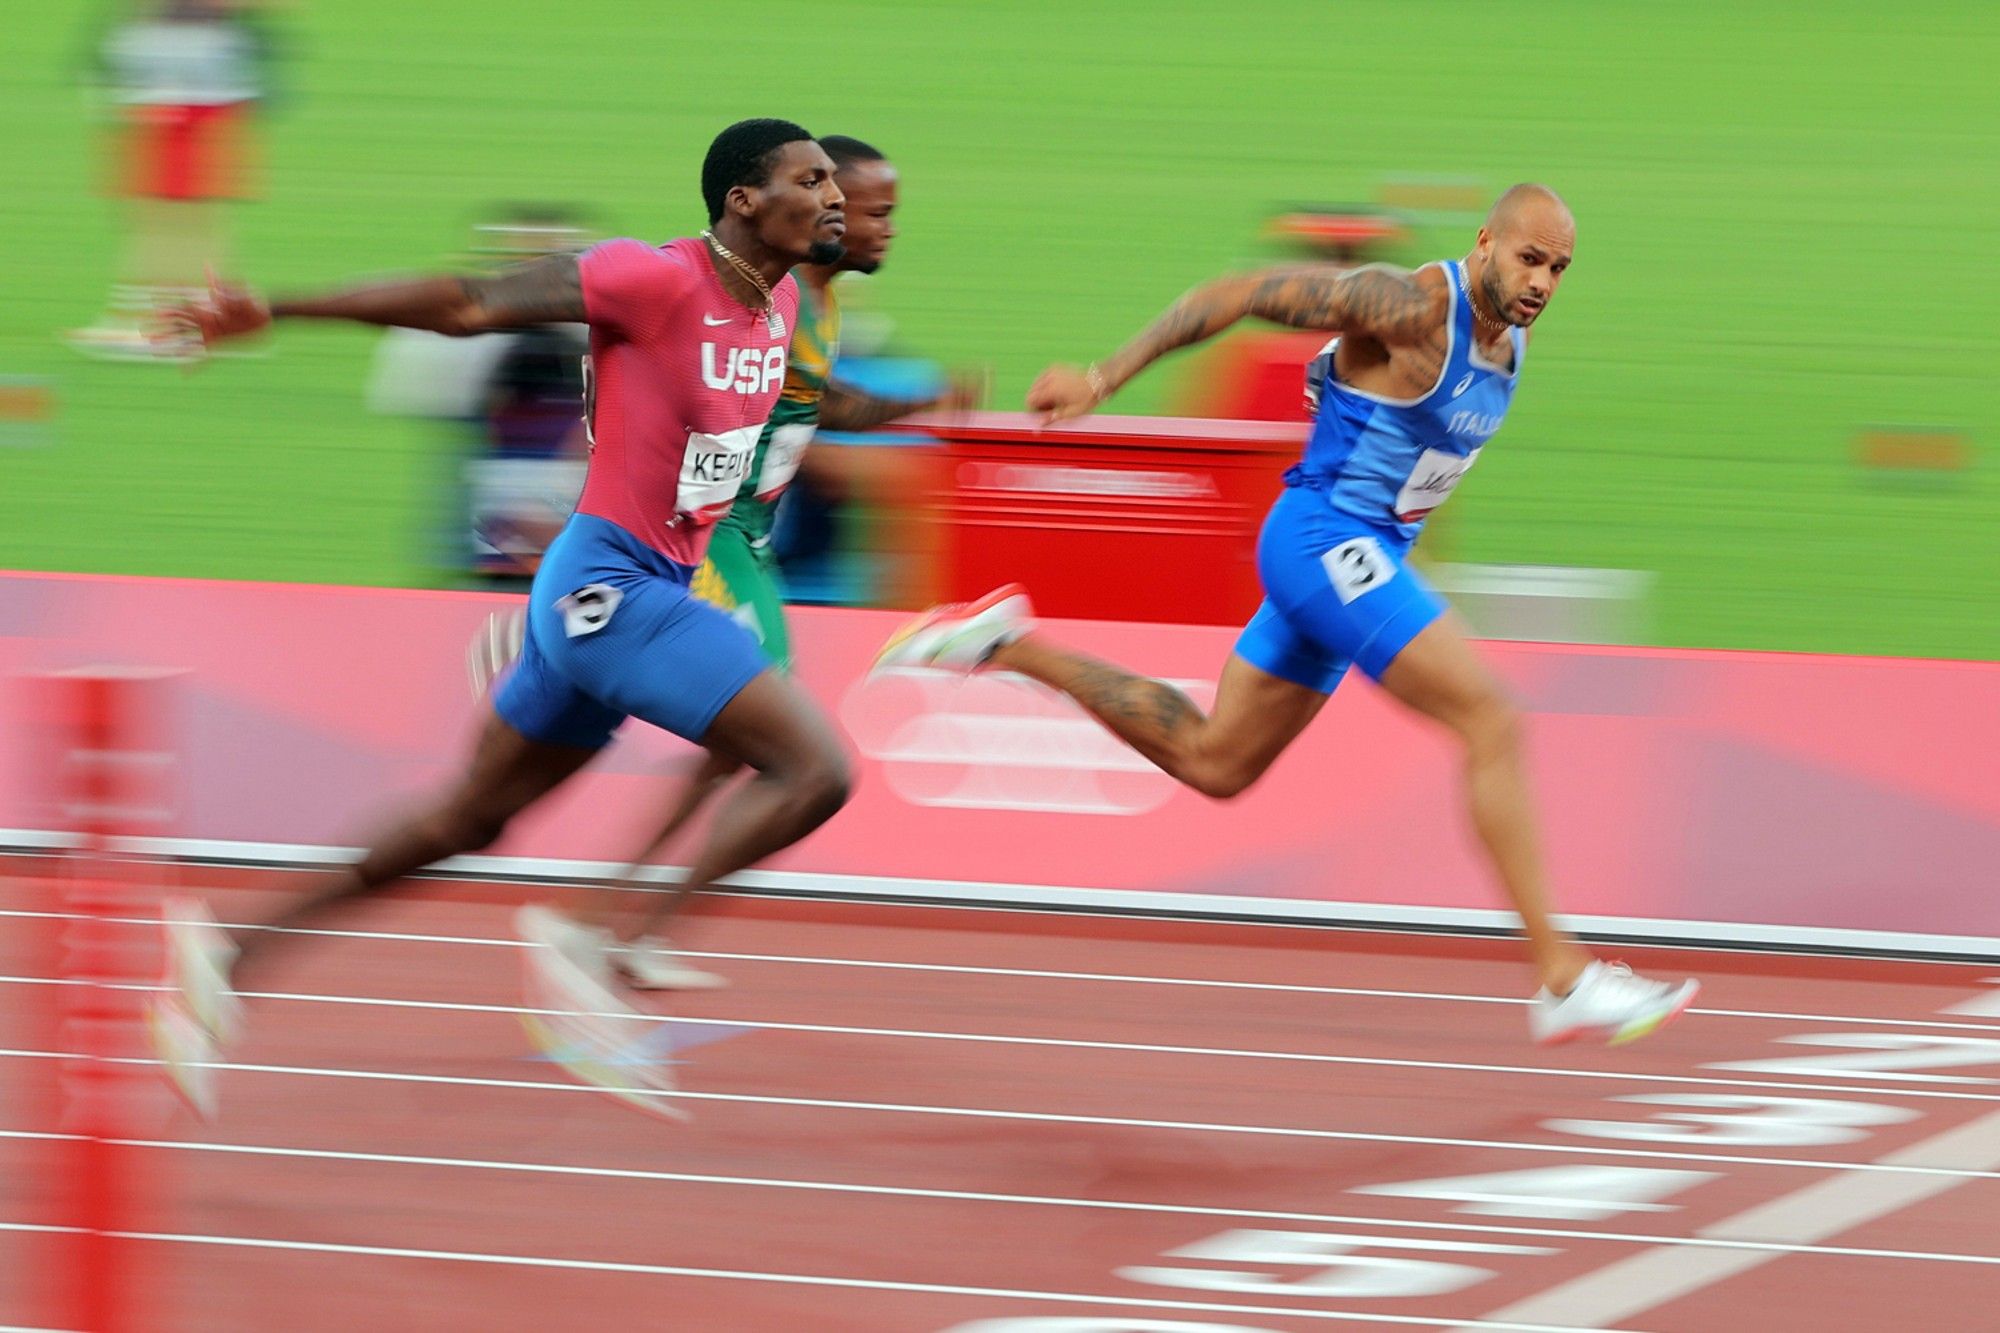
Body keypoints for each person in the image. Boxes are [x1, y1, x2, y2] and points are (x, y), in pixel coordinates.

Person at [875, 185, 1699, 1046]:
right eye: (1529, 258)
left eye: (1560, 269)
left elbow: (1414, 451)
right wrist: (1101, 377)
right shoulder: (1413, 305)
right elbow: (1237, 295)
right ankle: (1562, 976)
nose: (1542, 282)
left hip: (1360, 559)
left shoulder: (1511, 345)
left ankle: (1009, 644)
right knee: (1491, 716)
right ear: (1486, 241)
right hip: (1321, 542)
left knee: (1215, 761)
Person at [149, 118, 857, 1116]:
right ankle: (599, 940)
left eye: (835, 182)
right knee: (814, 767)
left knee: (468, 818)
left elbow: (712, 437)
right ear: (743, 199)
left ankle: (226, 952)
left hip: (615, 589)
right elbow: (464, 301)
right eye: (810, 179)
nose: (831, 196)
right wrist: (275, 306)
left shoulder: (777, 300)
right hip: (613, 589)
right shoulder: (650, 278)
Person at [513, 135, 981, 992]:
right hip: (712, 535)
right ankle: (615, 923)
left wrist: (924, 403)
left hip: (753, 543)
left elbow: (818, 401)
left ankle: (611, 918)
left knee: (746, 747)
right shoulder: (781, 286)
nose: (879, 227)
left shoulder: (815, 302)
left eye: (881, 210)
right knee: (774, 743)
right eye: (873, 209)